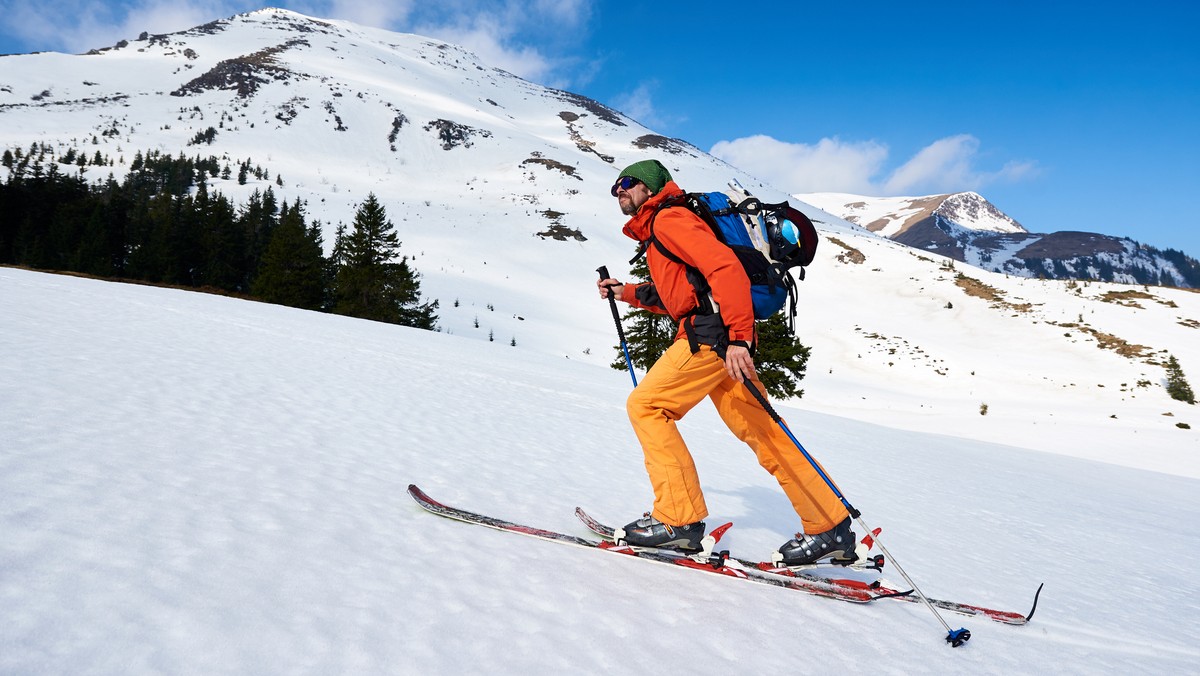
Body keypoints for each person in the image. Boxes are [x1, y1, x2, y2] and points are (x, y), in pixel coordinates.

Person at [597, 159, 855, 565]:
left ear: (650, 187)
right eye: (615, 188)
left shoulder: (669, 220)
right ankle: (830, 526)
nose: (620, 192)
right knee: (764, 431)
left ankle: (678, 521)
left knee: (647, 406)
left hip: (710, 339)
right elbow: (683, 295)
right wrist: (627, 292)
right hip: (719, 336)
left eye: (627, 183)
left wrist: (739, 338)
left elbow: (724, 268)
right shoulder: (666, 226)